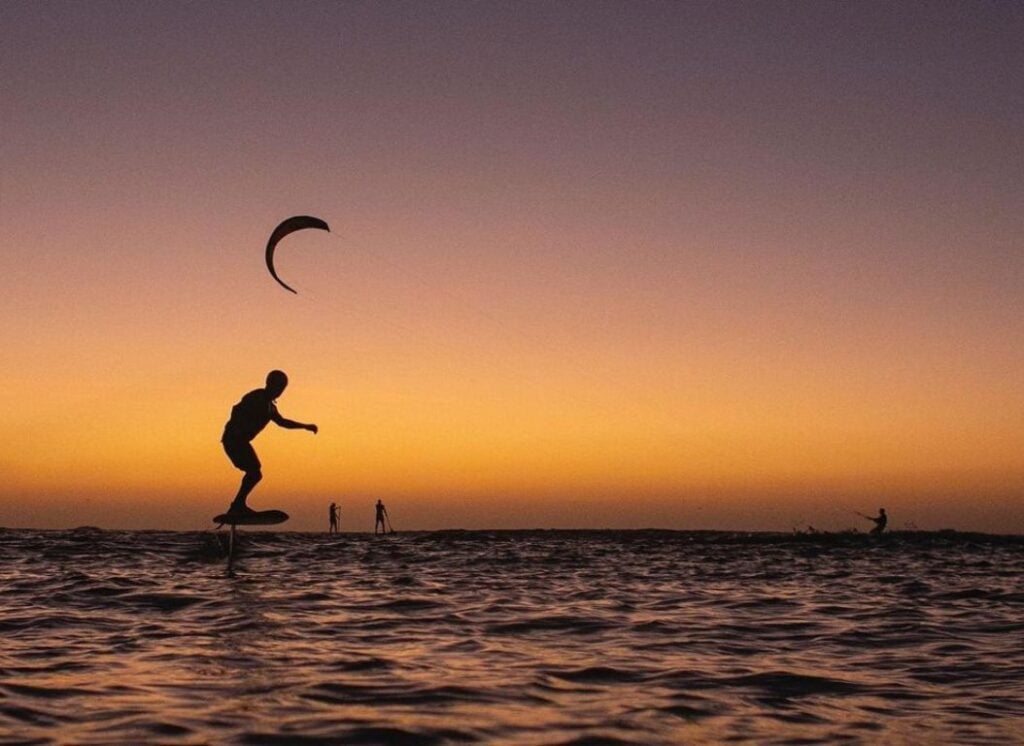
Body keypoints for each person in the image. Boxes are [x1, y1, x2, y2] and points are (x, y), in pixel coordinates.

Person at [221, 370, 317, 515]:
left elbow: (283, 422)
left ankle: (238, 505)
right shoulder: (256, 397)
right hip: (234, 440)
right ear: (269, 384)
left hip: (240, 441)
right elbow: (235, 410)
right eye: (277, 387)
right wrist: (240, 427)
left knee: (255, 473)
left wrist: (305, 426)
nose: (279, 392)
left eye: (281, 389)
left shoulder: (270, 407)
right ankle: (238, 506)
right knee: (254, 472)